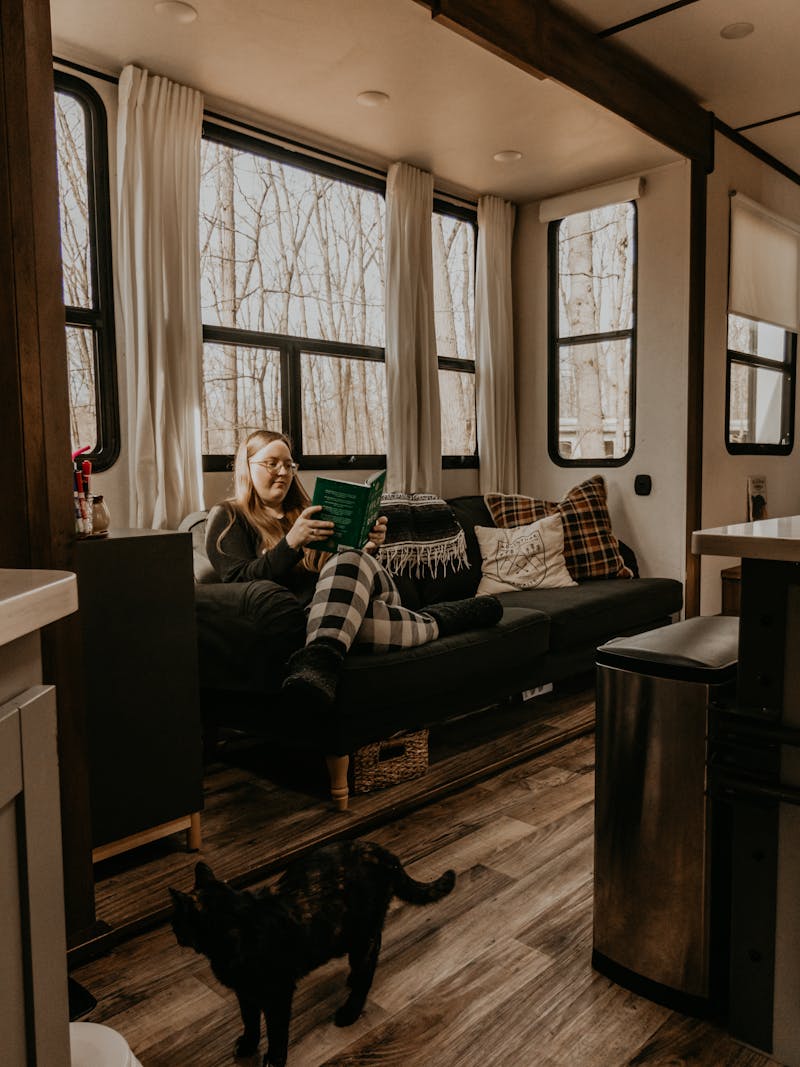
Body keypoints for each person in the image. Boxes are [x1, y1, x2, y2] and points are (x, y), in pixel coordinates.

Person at [205, 429, 502, 706]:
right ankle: (443, 618)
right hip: (319, 618)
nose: (283, 472)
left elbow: (332, 568)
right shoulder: (229, 516)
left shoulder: (307, 510)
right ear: (248, 465)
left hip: (364, 593)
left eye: (288, 464)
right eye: (271, 463)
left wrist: (368, 546)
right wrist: (291, 544)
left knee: (349, 560)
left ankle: (319, 659)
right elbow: (238, 582)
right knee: (355, 625)